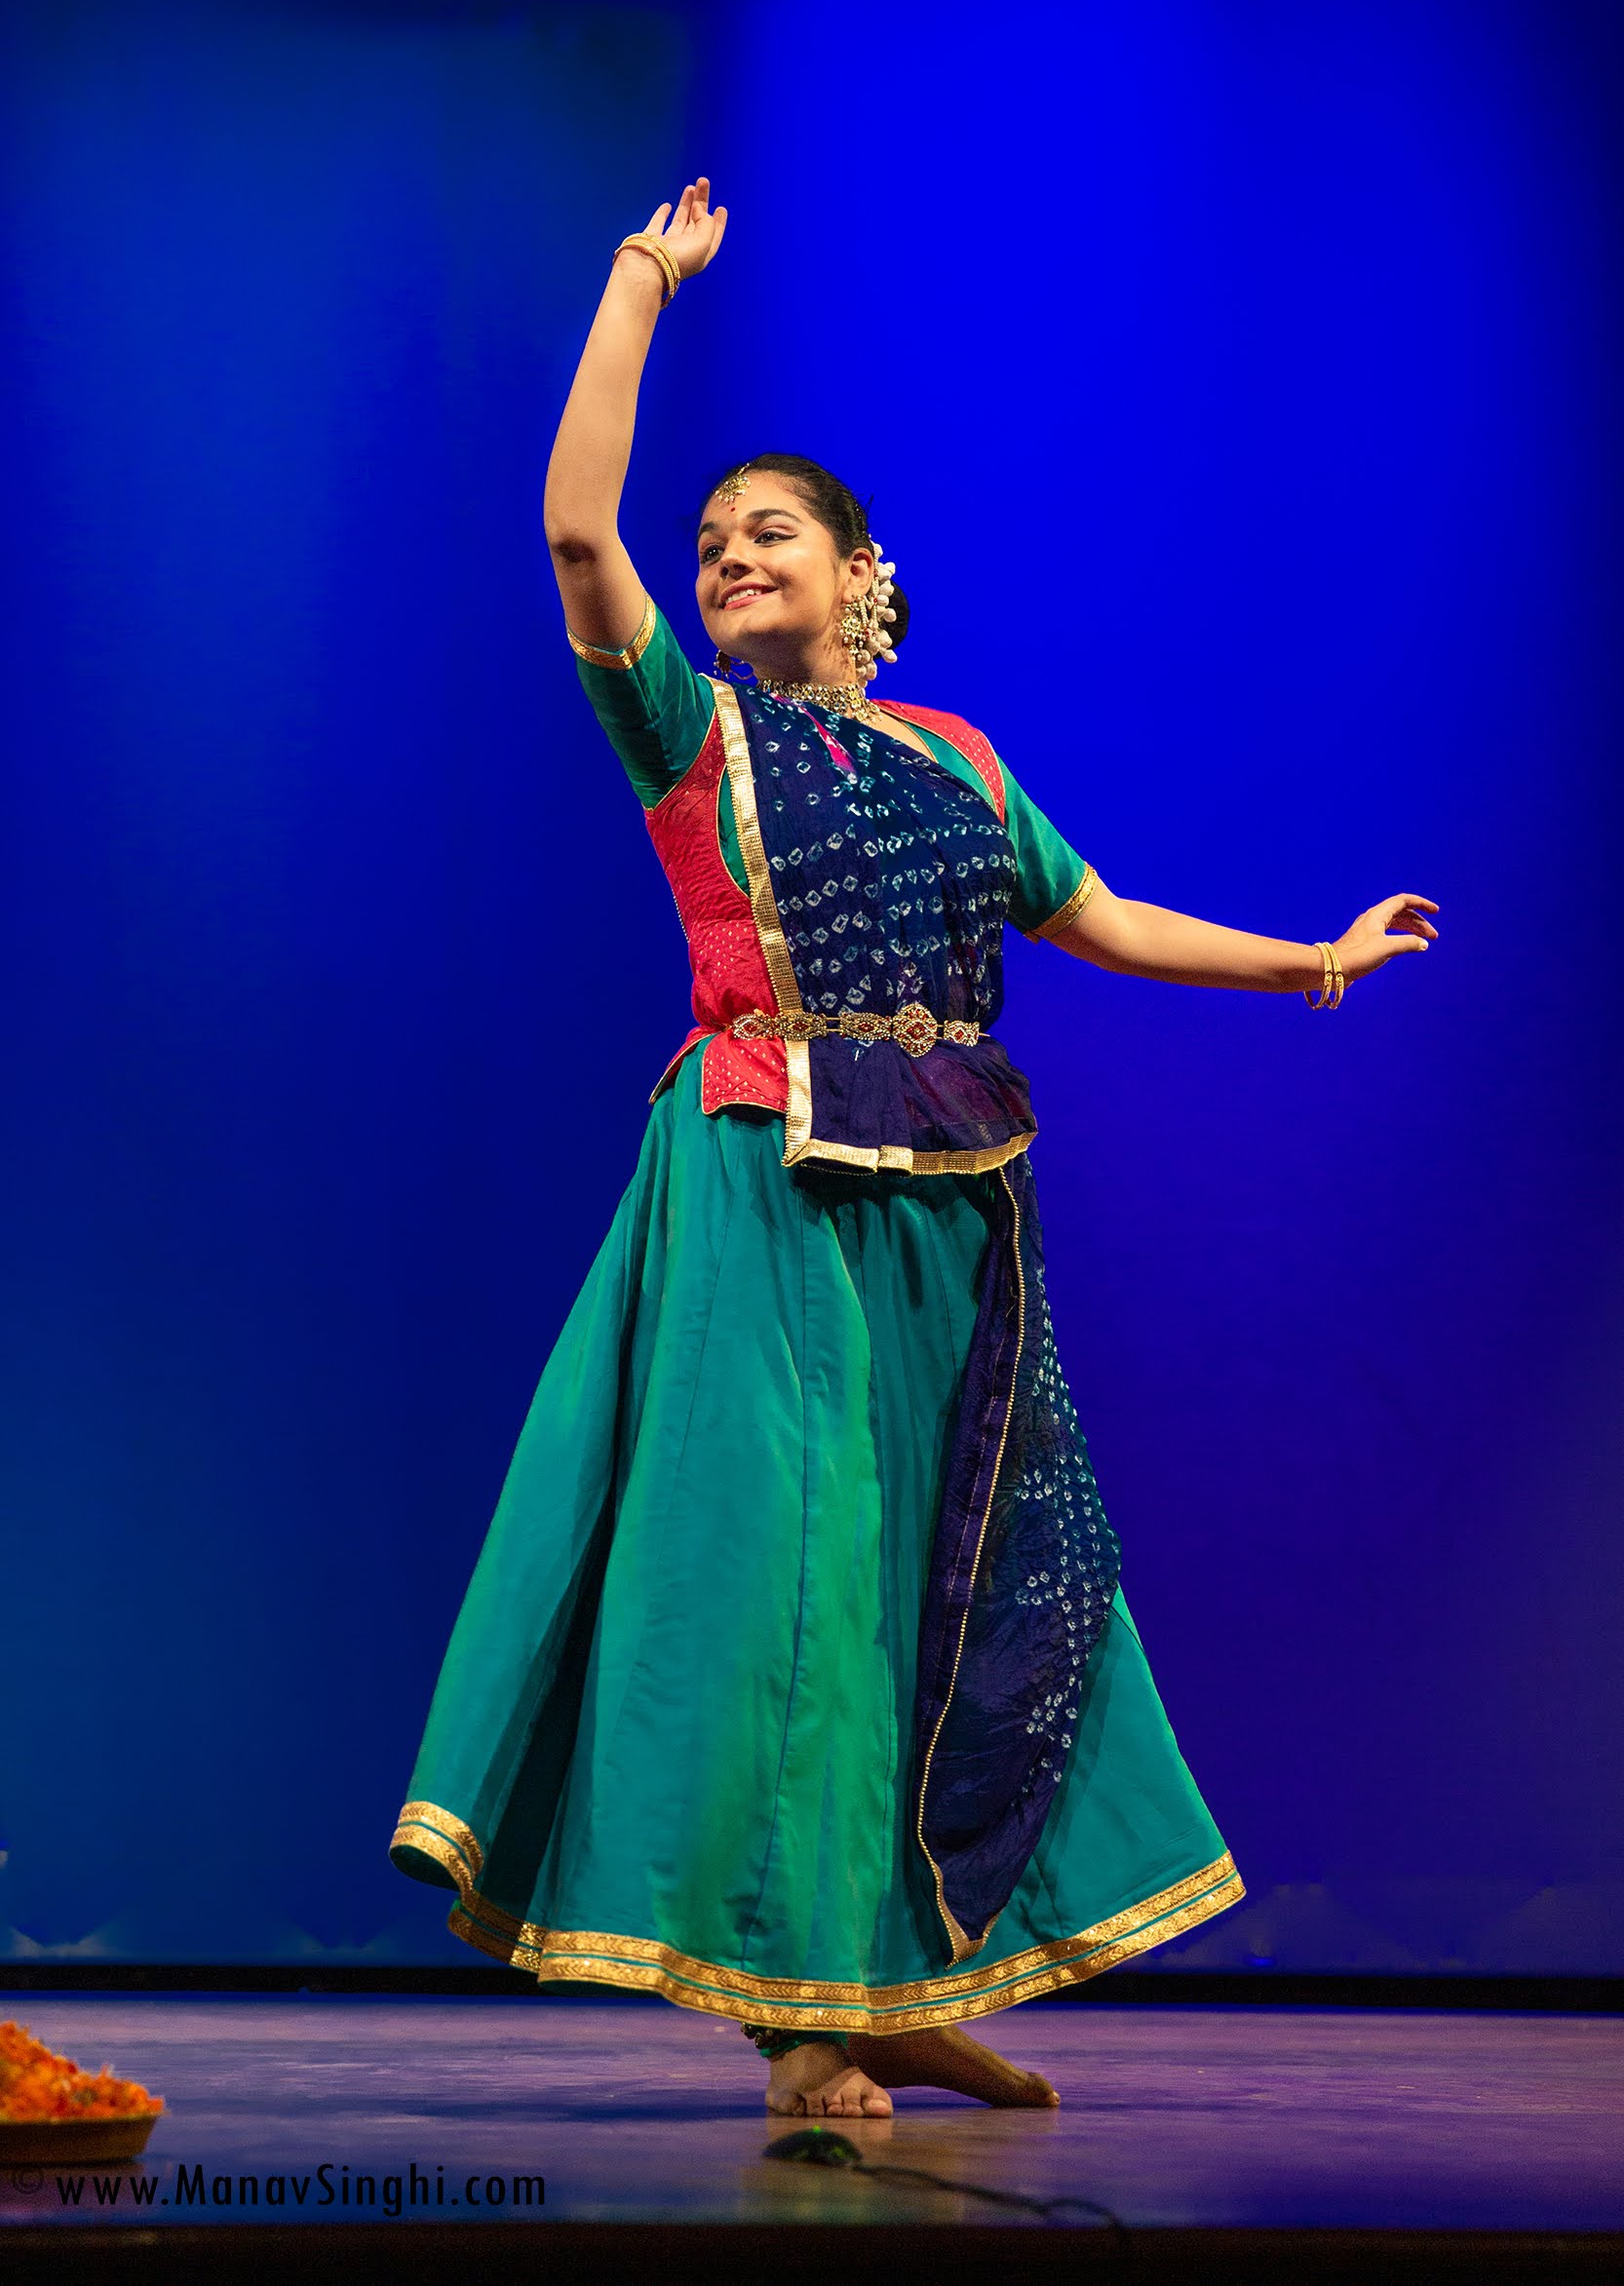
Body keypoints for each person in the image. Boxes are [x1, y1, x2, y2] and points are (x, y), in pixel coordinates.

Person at [390, 180, 1439, 2119]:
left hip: (951, 1222)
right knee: (788, 1591)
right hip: (763, 1187)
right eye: (708, 545)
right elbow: (568, 526)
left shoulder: (954, 762)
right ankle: (793, 2011)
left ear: (859, 565)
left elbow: (1102, 915)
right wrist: (635, 285)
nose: (721, 558)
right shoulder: (688, 737)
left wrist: (1309, 955)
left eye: (765, 531)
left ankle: (879, 1979)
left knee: (925, 1594)